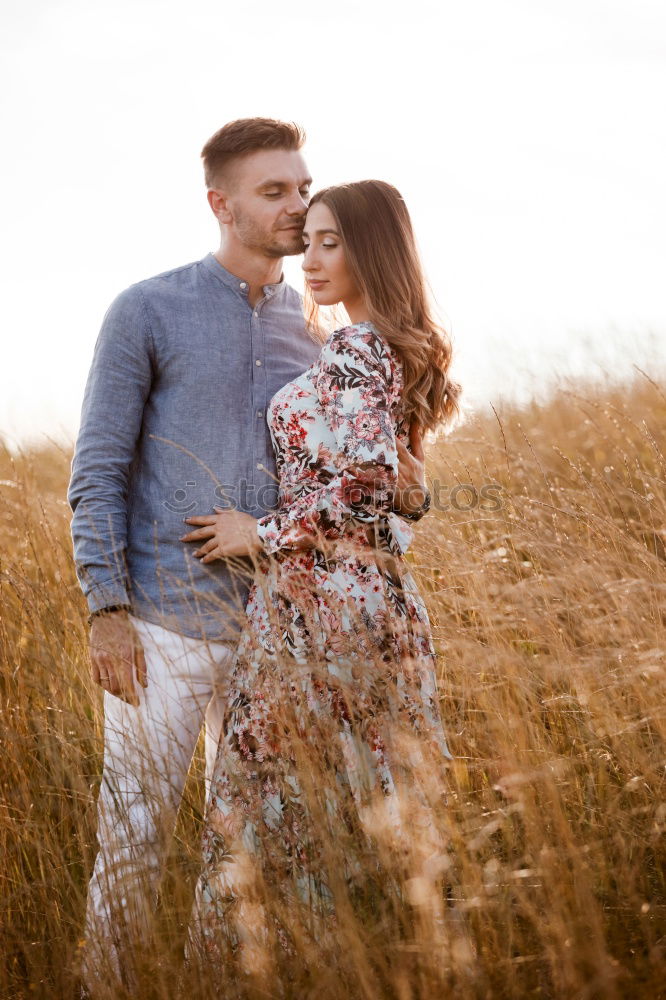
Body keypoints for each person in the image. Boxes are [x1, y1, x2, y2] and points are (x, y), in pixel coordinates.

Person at [67, 120, 429, 995]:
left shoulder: (322, 328)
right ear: (219, 204)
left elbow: (380, 480)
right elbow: (99, 468)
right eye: (275, 192)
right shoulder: (147, 309)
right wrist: (106, 610)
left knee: (255, 850)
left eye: (304, 190)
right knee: (134, 842)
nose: (298, 209)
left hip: (285, 637)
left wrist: (411, 492)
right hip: (164, 628)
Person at [182, 180, 460, 987]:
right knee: (353, 791)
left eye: (333, 241)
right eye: (312, 240)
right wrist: (408, 492)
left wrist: (255, 533)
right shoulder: (383, 350)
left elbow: (368, 482)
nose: (313, 257)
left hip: (322, 602)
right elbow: (403, 492)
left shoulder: (360, 349)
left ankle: (272, 969)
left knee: (272, 790)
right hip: (371, 599)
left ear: (374, 250)